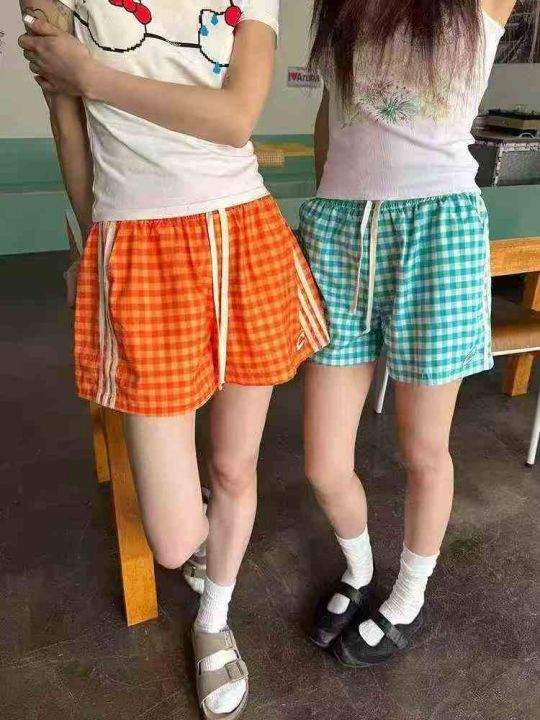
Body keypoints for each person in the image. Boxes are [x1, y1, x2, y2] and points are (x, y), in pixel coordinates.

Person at [18, 2, 328, 716]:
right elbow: (68, 122)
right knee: (172, 536)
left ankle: (214, 619)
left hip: (243, 238)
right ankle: (204, 540)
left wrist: (90, 73)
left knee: (235, 467)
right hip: (139, 247)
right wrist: (96, 243)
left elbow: (236, 118)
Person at [300, 0, 517, 666]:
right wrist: (330, 201)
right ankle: (360, 569)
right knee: (323, 463)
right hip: (339, 229)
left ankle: (409, 595)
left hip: (437, 230)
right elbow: (331, 112)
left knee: (423, 448)